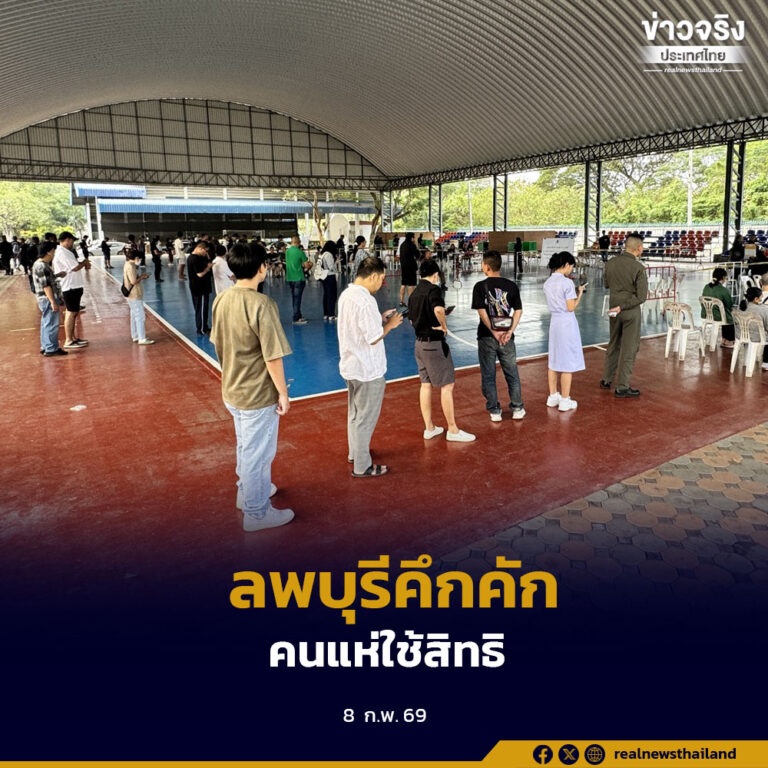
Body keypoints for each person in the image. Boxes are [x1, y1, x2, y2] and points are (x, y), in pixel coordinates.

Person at [211, 244, 294, 531]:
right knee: (258, 453)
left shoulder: (222, 299)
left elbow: (218, 343)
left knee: (246, 446)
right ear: (262, 268)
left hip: (232, 388)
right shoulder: (262, 304)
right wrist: (283, 393)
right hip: (257, 394)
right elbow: (273, 356)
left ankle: (247, 492)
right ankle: (257, 513)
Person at [337, 256, 403, 477]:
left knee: (355, 413)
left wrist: (379, 318)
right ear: (373, 276)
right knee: (365, 419)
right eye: (382, 278)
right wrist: (390, 325)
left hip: (351, 365)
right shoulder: (366, 301)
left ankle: (355, 452)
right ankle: (362, 466)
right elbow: (373, 337)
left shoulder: (347, 295)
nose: (382, 283)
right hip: (367, 369)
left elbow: (357, 326)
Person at [409, 259, 475, 442]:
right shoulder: (434, 290)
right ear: (436, 274)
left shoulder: (414, 293)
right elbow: (438, 310)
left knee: (425, 384)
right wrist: (443, 325)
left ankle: (429, 428)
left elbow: (412, 318)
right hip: (433, 345)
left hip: (419, 345)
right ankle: (452, 430)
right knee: (447, 385)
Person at [471, 250, 525, 422]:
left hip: (486, 336)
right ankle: (517, 407)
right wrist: (509, 331)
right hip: (507, 337)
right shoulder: (512, 286)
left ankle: (495, 410)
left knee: (488, 375)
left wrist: (493, 331)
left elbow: (482, 312)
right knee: (512, 373)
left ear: (487, 267)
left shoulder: (480, 286)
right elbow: (518, 310)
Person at [600, 233, 648, 397]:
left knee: (613, 343)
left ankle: (606, 379)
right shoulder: (638, 268)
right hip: (629, 310)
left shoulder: (611, 263)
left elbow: (606, 284)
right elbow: (641, 297)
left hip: (613, 308)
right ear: (639, 249)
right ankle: (622, 386)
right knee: (629, 348)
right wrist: (623, 306)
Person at [543, 251, 586, 411]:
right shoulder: (567, 283)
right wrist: (579, 294)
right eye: (571, 266)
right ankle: (565, 400)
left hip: (554, 322)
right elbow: (570, 307)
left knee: (554, 361)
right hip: (566, 323)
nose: (571, 269)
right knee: (567, 362)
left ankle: (553, 396)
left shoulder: (547, 282)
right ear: (566, 265)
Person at [52, 231, 89, 351]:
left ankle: (73, 337)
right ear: (67, 240)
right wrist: (84, 262)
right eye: (72, 241)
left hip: (74, 285)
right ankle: (69, 340)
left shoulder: (66, 252)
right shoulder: (62, 252)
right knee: (71, 312)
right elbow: (75, 267)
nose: (72, 243)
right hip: (70, 286)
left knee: (74, 312)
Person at [32, 241, 67, 357]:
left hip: (44, 298)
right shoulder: (42, 266)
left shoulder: (40, 264)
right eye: (53, 250)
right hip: (47, 299)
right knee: (52, 323)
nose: (54, 252)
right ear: (48, 252)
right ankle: (51, 348)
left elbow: (46, 279)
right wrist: (53, 302)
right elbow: (46, 286)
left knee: (46, 323)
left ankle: (46, 346)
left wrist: (57, 275)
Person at [122, 249, 155, 345]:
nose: (140, 260)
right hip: (134, 294)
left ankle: (136, 335)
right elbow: (133, 281)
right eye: (139, 258)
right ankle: (142, 338)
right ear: (136, 258)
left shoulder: (128, 264)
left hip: (131, 294)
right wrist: (142, 277)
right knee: (140, 316)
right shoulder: (131, 267)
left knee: (134, 315)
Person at [701, 267, 735, 348]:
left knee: (724, 313)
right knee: (729, 316)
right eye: (725, 278)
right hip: (717, 316)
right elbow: (729, 305)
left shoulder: (706, 287)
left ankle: (724, 340)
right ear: (723, 277)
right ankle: (728, 341)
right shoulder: (723, 290)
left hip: (705, 314)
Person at [739, 286, 768, 371]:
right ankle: (766, 362)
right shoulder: (763, 309)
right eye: (761, 297)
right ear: (756, 299)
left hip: (742, 334)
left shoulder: (742, 307)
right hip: (756, 337)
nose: (762, 299)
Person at [187, 242, 213, 334]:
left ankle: (204, 326)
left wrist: (207, 256)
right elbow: (200, 274)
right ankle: (202, 329)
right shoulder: (194, 259)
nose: (205, 253)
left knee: (202, 308)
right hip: (199, 287)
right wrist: (208, 268)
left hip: (202, 287)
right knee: (201, 308)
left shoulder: (199, 257)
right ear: (200, 248)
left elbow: (208, 261)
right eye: (205, 251)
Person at [285, 235, 309, 324]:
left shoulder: (287, 252)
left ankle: (298, 315)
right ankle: (296, 318)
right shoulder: (300, 252)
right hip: (299, 277)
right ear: (299, 243)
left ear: (291, 242)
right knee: (297, 299)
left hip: (290, 278)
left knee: (294, 297)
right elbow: (306, 265)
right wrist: (309, 264)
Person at [319, 240, 339, 319]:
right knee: (332, 296)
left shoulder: (323, 254)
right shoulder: (329, 255)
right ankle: (331, 314)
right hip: (330, 276)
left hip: (324, 277)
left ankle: (326, 314)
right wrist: (336, 263)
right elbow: (331, 267)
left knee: (326, 295)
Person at [398, 232, 419, 306]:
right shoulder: (412, 245)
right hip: (411, 267)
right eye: (414, 237)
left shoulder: (402, 245)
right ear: (411, 238)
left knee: (403, 284)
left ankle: (401, 301)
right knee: (411, 285)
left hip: (403, 267)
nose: (414, 239)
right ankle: (411, 302)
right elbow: (417, 255)